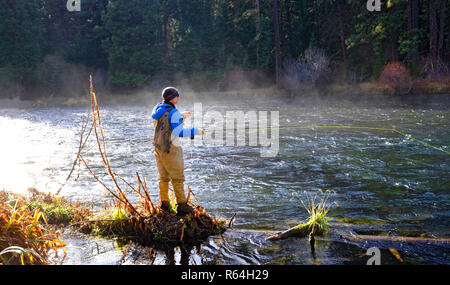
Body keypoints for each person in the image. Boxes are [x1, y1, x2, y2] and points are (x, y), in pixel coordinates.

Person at [151, 87, 205, 215]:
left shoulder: (157, 109)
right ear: (172, 97)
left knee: (163, 178)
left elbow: (166, 123)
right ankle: (182, 206)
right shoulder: (173, 112)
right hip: (171, 149)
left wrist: (181, 116)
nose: (178, 97)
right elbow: (178, 132)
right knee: (178, 178)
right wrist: (196, 131)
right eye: (177, 95)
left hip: (158, 148)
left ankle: (164, 205)